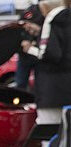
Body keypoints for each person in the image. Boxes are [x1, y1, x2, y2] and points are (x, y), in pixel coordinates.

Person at [34, 0, 71, 129]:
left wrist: (30, 49)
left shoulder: (51, 20)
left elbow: (50, 54)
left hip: (50, 89)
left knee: (48, 134)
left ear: (44, 7)